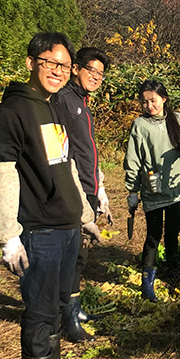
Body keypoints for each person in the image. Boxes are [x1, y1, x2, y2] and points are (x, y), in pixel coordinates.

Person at [0, 31, 103, 359]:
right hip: (39, 229)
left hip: (67, 224)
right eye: (50, 63)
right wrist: (8, 234)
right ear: (31, 63)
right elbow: (3, 171)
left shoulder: (54, 106)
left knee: (57, 304)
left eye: (64, 65)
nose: (58, 71)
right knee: (38, 311)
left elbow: (68, 165)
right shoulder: (13, 111)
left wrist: (85, 215)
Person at [52, 47, 112, 343]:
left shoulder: (81, 101)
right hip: (72, 188)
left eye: (101, 74)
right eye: (92, 71)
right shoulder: (64, 99)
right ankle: (67, 317)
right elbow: (61, 149)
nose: (97, 77)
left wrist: (98, 182)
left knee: (80, 252)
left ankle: (74, 307)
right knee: (70, 254)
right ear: (75, 68)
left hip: (87, 185)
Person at [124, 79, 180, 301]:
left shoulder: (177, 119)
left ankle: (174, 272)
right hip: (154, 189)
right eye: (145, 102)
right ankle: (147, 281)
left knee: (173, 232)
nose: (149, 106)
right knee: (153, 234)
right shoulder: (140, 125)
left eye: (153, 100)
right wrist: (132, 190)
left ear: (164, 99)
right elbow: (133, 158)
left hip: (177, 186)